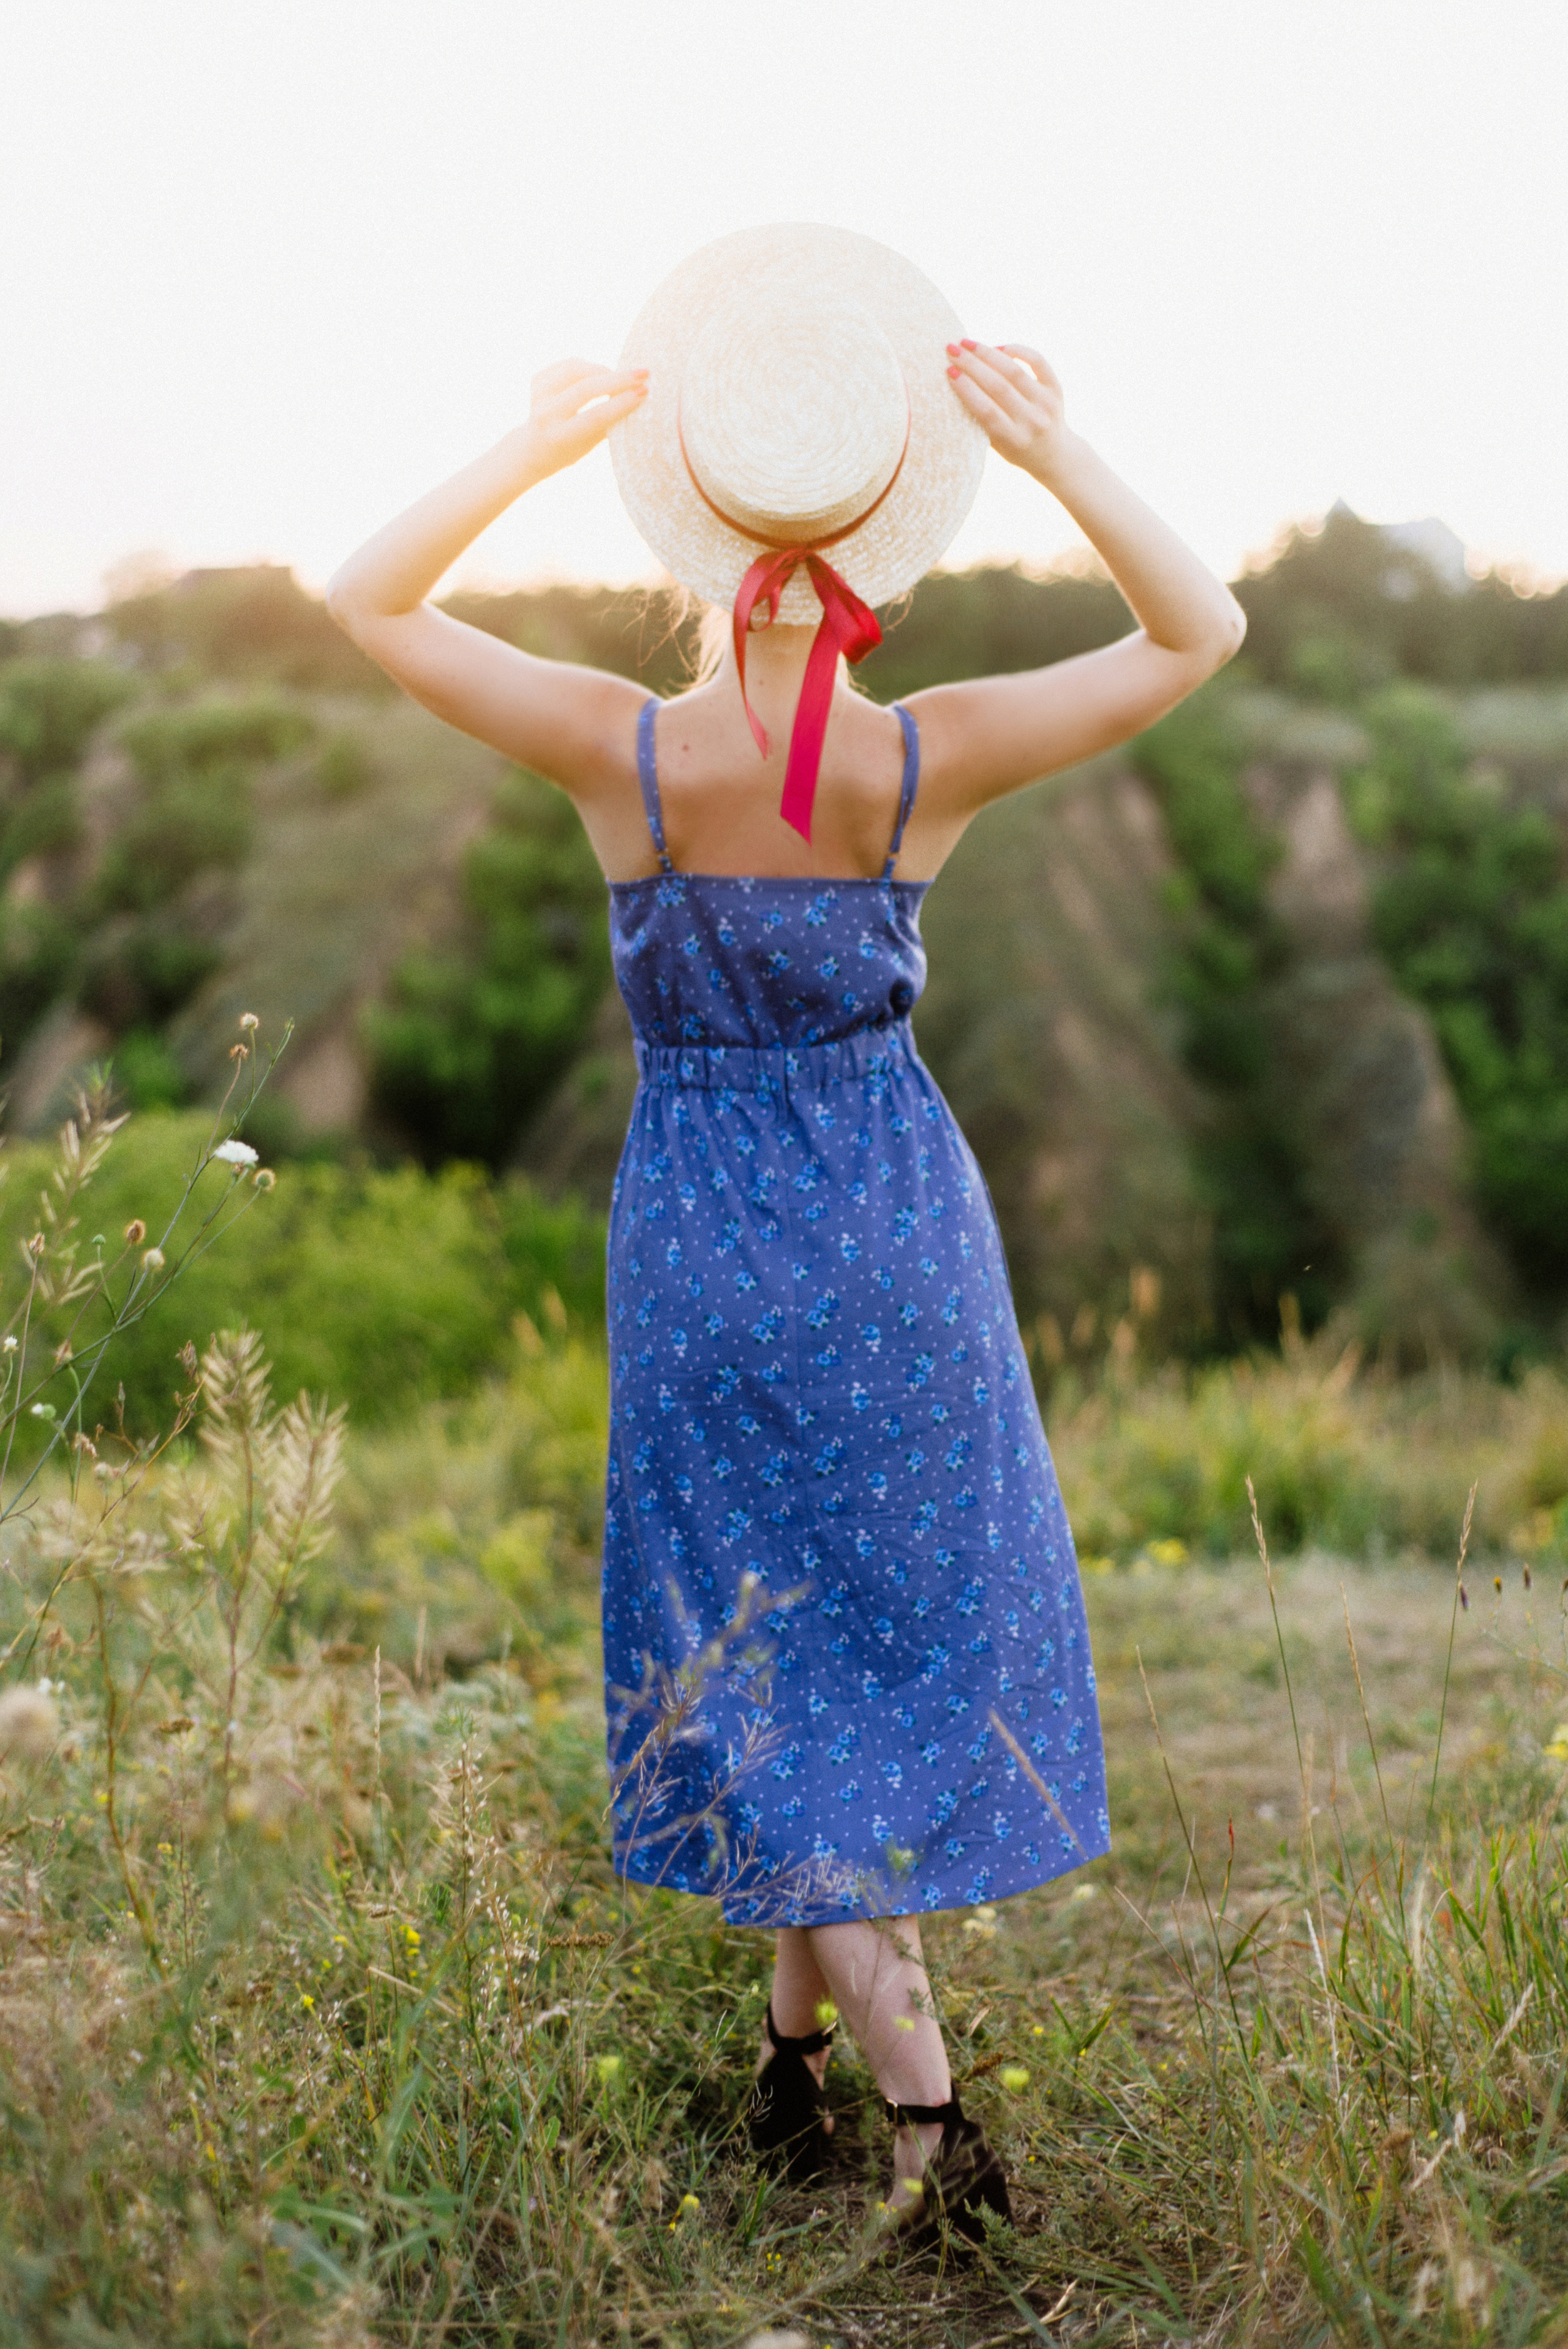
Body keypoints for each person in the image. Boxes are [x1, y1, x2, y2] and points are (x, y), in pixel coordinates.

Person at [328, 224, 1243, 2246]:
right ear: (891, 561)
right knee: (865, 1642)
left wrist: (528, 449)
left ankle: (887, 2111)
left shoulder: (623, 751)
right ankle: (869, 2092)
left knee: (755, 1646)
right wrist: (1071, 457)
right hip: (902, 1239)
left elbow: (361, 593)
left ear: (692, 541)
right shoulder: (924, 759)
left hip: (700, 1251)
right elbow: (1201, 633)